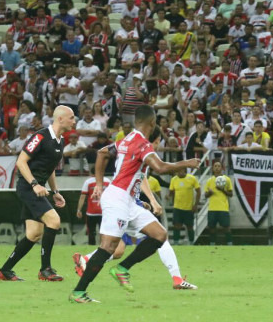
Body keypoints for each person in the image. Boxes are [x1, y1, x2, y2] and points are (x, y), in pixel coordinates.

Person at [69, 105, 200, 303]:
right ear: (153, 123)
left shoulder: (126, 139)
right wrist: (186, 163)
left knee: (159, 235)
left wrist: (98, 183)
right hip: (118, 198)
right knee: (108, 248)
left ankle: (122, 269)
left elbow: (102, 153)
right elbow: (161, 167)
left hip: (128, 200)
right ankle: (79, 292)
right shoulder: (142, 143)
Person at [0, 106, 75, 282]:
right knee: (54, 220)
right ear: (60, 119)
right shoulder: (40, 136)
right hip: (28, 187)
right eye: (71, 117)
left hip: (38, 188)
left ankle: (5, 270)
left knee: (34, 233)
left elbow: (50, 168)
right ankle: (45, 270)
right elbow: (21, 162)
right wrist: (34, 184)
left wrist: (55, 191)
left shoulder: (59, 140)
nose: (74, 120)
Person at [76, 168, 110, 245]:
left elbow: (82, 197)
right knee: (104, 231)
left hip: (91, 212)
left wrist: (79, 210)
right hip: (104, 211)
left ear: (91, 174)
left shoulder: (88, 182)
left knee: (91, 232)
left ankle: (91, 246)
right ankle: (103, 247)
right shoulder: (108, 181)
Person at [168, 168, 201, 245]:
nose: (179, 172)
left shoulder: (192, 178)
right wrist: (168, 196)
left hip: (188, 208)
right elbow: (171, 191)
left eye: (180, 170)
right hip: (177, 207)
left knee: (189, 226)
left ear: (184, 170)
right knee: (176, 226)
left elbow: (198, 191)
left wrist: (195, 204)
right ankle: (176, 243)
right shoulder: (173, 179)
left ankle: (191, 243)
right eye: (177, 170)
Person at [204, 161, 233, 245]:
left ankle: (230, 244)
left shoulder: (227, 179)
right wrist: (210, 193)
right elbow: (206, 195)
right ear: (213, 168)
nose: (217, 168)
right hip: (212, 208)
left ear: (222, 168)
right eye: (215, 166)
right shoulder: (209, 180)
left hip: (223, 208)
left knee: (226, 227)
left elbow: (231, 194)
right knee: (212, 228)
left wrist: (222, 190)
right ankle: (212, 244)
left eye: (218, 166)